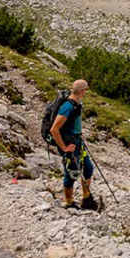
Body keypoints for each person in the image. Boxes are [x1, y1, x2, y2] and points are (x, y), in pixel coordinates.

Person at [49, 79, 97, 210]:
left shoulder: (76, 104)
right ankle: (68, 203)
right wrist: (64, 147)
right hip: (70, 144)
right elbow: (54, 129)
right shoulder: (68, 107)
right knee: (71, 173)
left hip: (77, 142)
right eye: (85, 90)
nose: (86, 92)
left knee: (88, 168)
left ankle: (86, 198)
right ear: (82, 91)